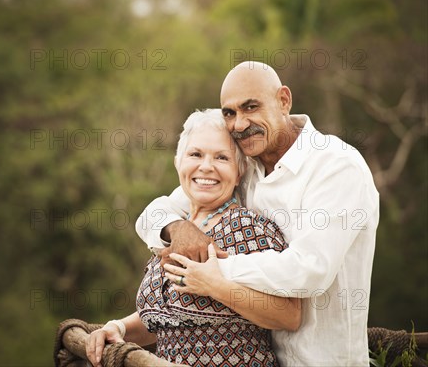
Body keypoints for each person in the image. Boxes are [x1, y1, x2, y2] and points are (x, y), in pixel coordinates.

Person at [136, 61, 379, 366]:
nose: (239, 124)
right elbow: (153, 214)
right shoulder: (245, 166)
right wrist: (177, 228)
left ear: (284, 101)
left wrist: (215, 270)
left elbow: (311, 269)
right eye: (230, 113)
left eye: (250, 107)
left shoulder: (336, 166)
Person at [86, 109, 301, 367]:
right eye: (195, 154)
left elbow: (289, 315)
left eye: (221, 158)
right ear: (178, 162)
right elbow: (167, 320)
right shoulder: (180, 229)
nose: (206, 166)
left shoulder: (251, 228)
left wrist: (214, 286)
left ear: (239, 173)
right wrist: (119, 328)